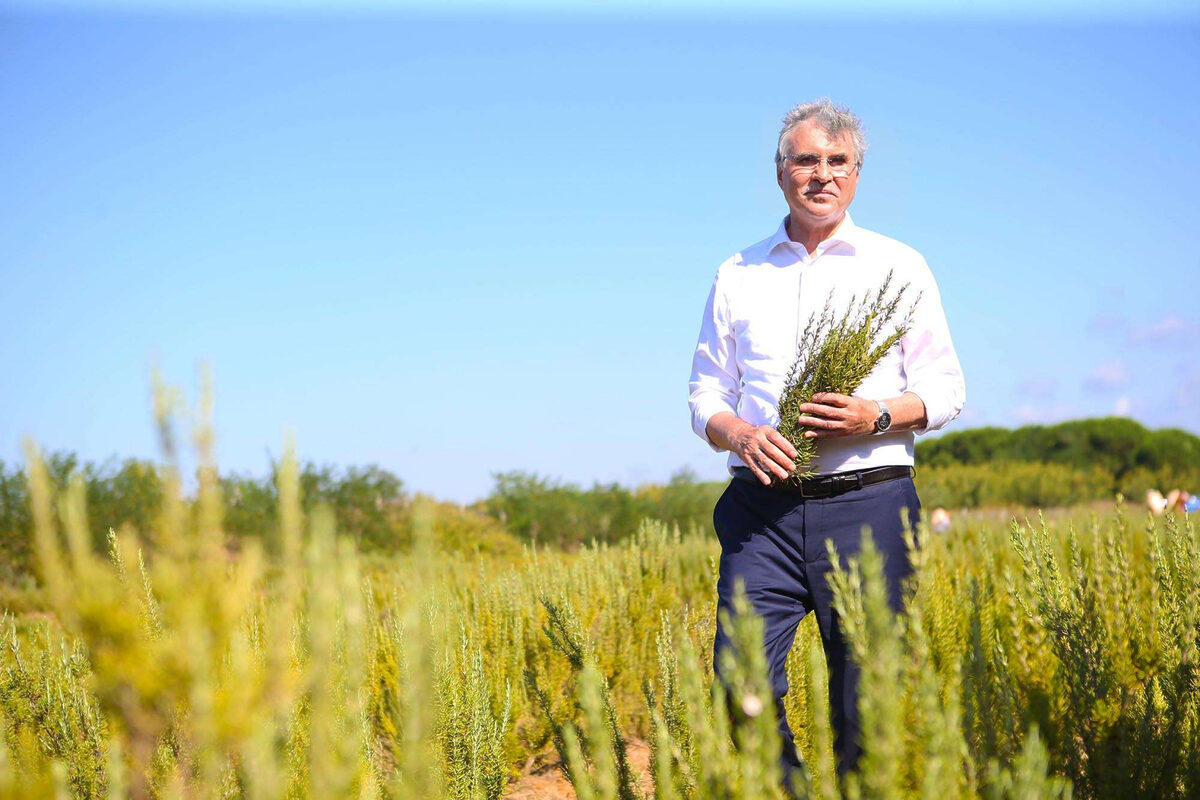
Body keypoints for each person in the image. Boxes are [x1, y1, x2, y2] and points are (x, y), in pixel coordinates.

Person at [687, 99, 966, 786]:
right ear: (780, 172)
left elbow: (947, 388)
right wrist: (742, 433)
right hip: (763, 513)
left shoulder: (899, 265)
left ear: (857, 173)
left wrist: (873, 415)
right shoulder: (738, 273)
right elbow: (705, 396)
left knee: (866, 705)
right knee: (739, 685)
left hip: (869, 506)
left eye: (837, 162)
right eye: (806, 160)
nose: (822, 174)